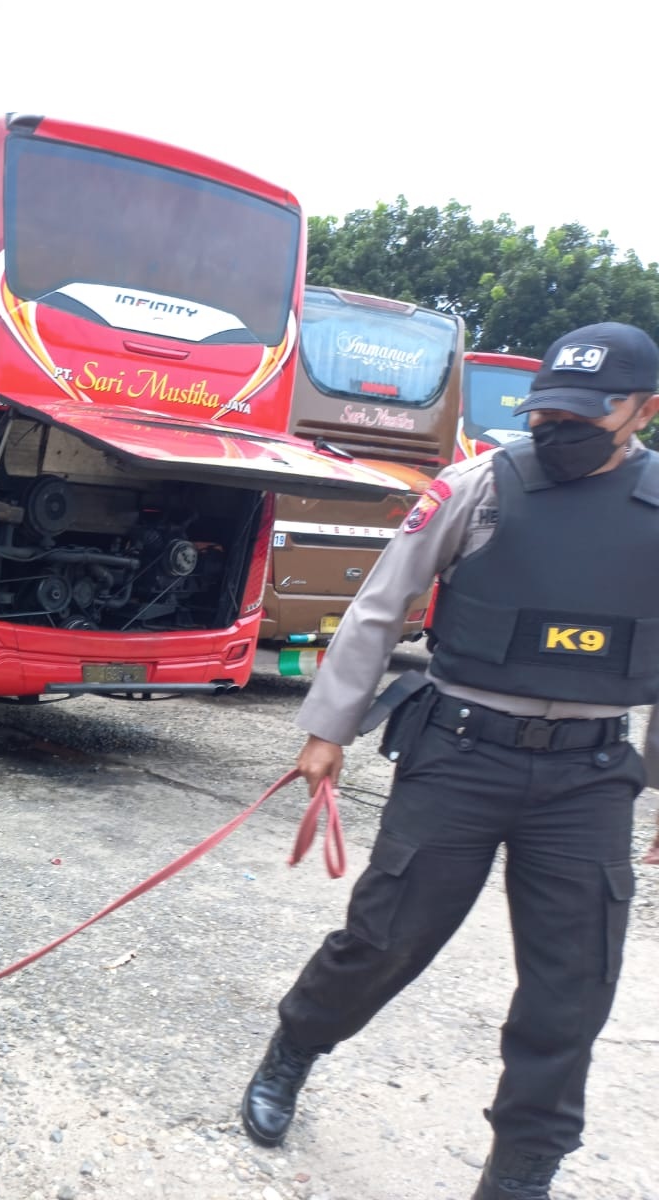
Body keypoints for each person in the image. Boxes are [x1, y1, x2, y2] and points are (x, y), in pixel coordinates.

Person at [239, 321, 659, 1200]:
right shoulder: (481, 486)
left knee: (572, 988)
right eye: (551, 410)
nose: (561, 428)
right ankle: (296, 1047)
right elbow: (379, 607)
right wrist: (328, 730)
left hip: (589, 777)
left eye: (592, 411)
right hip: (462, 751)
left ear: (644, 410)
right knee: (384, 941)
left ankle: (522, 1170)